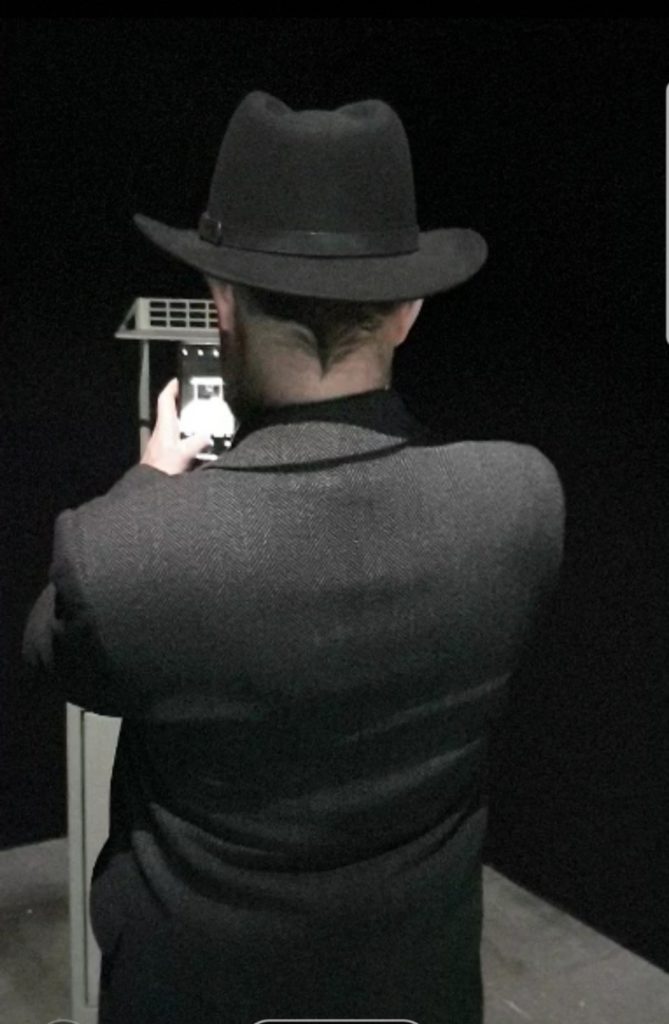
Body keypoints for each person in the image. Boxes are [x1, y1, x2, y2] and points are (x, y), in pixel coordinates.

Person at [22, 91, 565, 1024]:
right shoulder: (522, 500)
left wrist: (149, 479)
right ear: (407, 312)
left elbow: (55, 657)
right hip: (413, 985)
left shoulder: (126, 547)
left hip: (190, 992)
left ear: (221, 305)